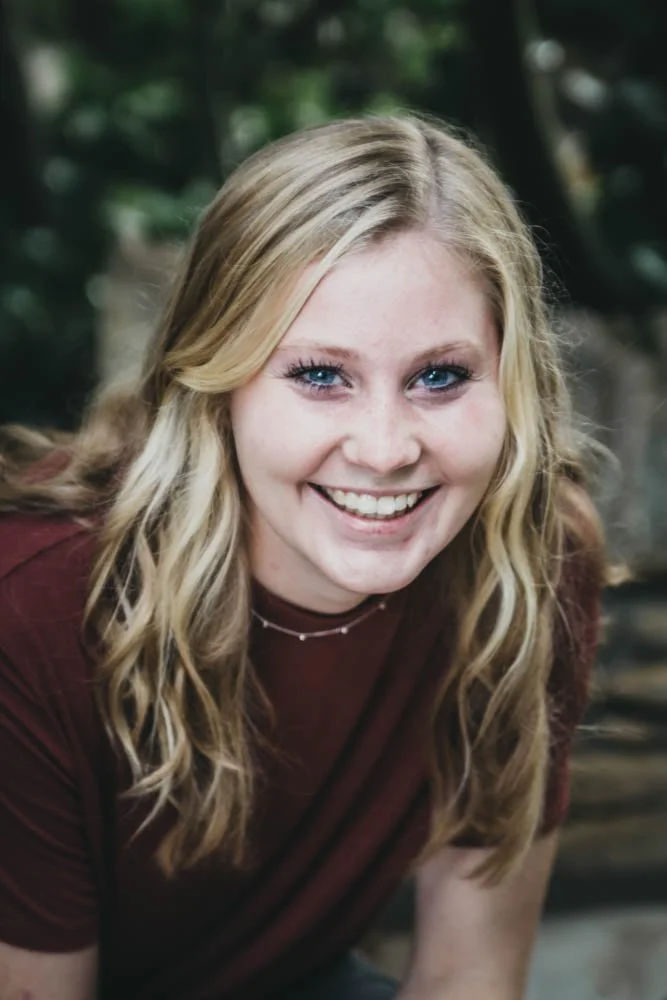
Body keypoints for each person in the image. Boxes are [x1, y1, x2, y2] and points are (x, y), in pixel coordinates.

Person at [0, 114, 608, 1000]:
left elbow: (467, 974)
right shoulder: (35, 607)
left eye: (439, 376)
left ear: (514, 384)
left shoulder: (534, 558)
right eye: (320, 375)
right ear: (215, 384)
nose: (385, 449)